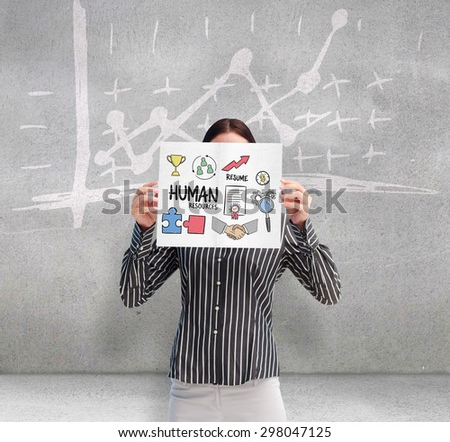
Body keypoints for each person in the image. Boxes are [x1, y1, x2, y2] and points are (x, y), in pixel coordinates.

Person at [119, 118, 341, 422]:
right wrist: (143, 229)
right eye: (216, 159)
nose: (228, 170)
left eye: (239, 160)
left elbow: (328, 292)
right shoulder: (180, 223)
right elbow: (133, 294)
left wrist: (303, 224)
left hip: (257, 384)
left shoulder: (279, 225)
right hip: (190, 385)